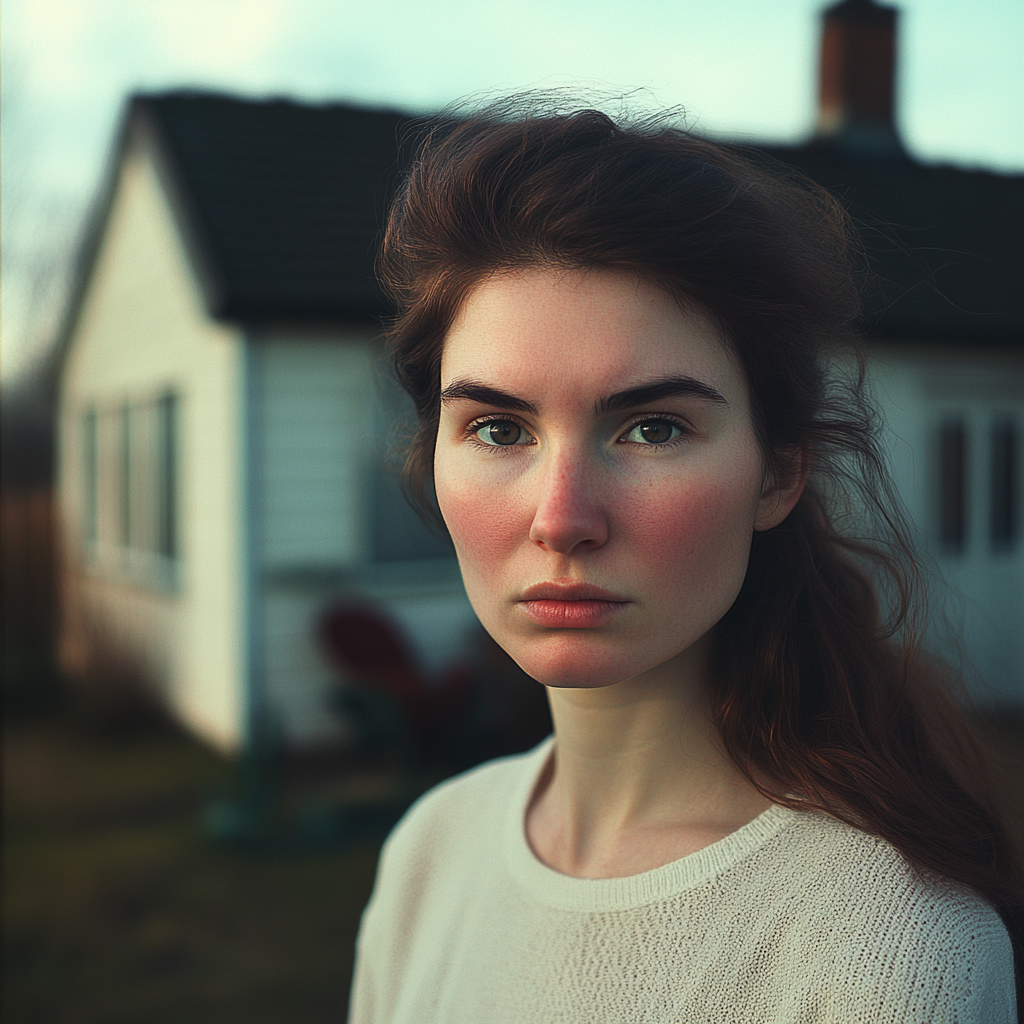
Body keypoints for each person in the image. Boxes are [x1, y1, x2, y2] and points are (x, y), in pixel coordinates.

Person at [348, 99, 1021, 1023]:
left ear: (779, 473)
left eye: (652, 427)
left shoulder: (889, 946)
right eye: (499, 428)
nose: (563, 518)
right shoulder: (430, 852)